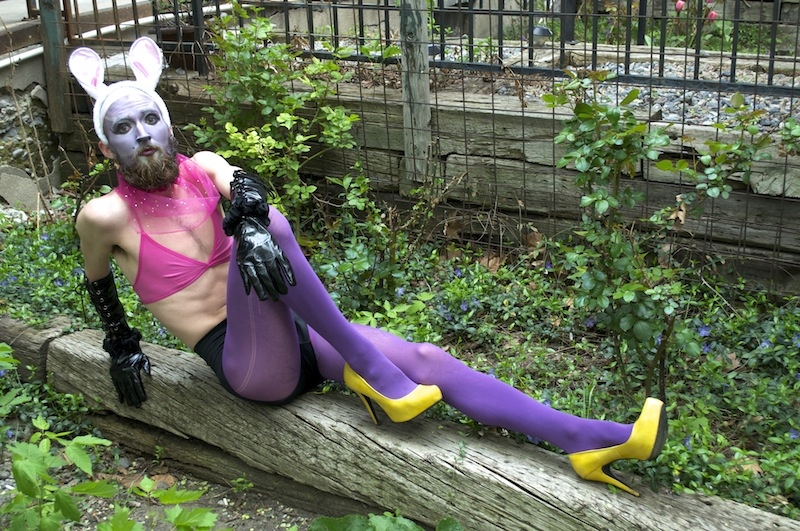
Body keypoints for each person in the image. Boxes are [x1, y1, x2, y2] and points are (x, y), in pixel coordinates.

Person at [68, 37, 668, 497]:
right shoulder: (104, 217)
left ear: (168, 124)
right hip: (250, 364)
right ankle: (371, 368)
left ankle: (585, 439)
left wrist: (246, 215)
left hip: (298, 330)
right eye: (123, 127)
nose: (142, 135)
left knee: (426, 358)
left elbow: (244, 185)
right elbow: (98, 281)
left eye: (150, 119)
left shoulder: (204, 166)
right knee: (269, 231)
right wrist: (122, 345)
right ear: (104, 146)